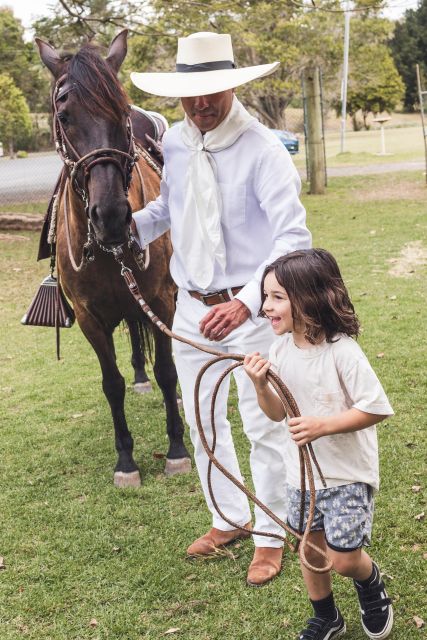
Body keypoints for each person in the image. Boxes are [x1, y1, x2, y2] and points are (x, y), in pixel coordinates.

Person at [130, 31, 311, 586]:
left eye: (212, 92)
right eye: (191, 93)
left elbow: (294, 238)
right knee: (202, 417)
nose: (202, 103)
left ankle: (269, 533)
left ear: (232, 86)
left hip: (252, 312)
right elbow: (170, 207)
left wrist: (245, 302)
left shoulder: (262, 149)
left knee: (264, 424)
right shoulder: (179, 144)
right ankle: (227, 516)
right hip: (189, 307)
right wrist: (128, 228)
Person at [243, 248, 394, 639]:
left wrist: (322, 426)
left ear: (308, 298)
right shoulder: (280, 351)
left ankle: (370, 582)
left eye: (277, 297)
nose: (266, 306)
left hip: (345, 474)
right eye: (265, 296)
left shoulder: (342, 351)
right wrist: (261, 385)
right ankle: (327, 617)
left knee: (343, 560)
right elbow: (277, 412)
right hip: (302, 476)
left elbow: (376, 408)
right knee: (309, 550)